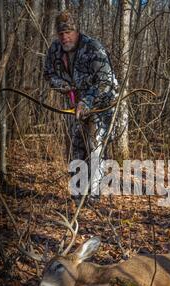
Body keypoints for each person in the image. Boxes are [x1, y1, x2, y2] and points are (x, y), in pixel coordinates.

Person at [44, 9, 118, 205]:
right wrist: (62, 85)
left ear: (77, 31)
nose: (65, 37)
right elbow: (48, 74)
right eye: (61, 33)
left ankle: (93, 197)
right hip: (75, 106)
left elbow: (106, 82)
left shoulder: (93, 47)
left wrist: (87, 101)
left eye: (68, 32)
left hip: (100, 105)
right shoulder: (55, 49)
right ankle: (77, 195)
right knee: (76, 147)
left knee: (96, 148)